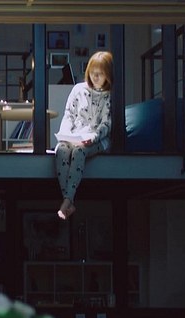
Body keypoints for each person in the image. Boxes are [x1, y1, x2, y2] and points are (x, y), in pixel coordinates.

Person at [54, 51, 113, 220]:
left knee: (79, 152)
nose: (95, 76)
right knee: (61, 150)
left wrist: (92, 138)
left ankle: (67, 201)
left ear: (108, 74)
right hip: (75, 135)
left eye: (100, 73)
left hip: (97, 139)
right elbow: (69, 115)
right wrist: (65, 135)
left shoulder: (109, 95)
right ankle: (69, 201)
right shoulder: (78, 89)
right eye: (93, 72)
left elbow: (106, 124)